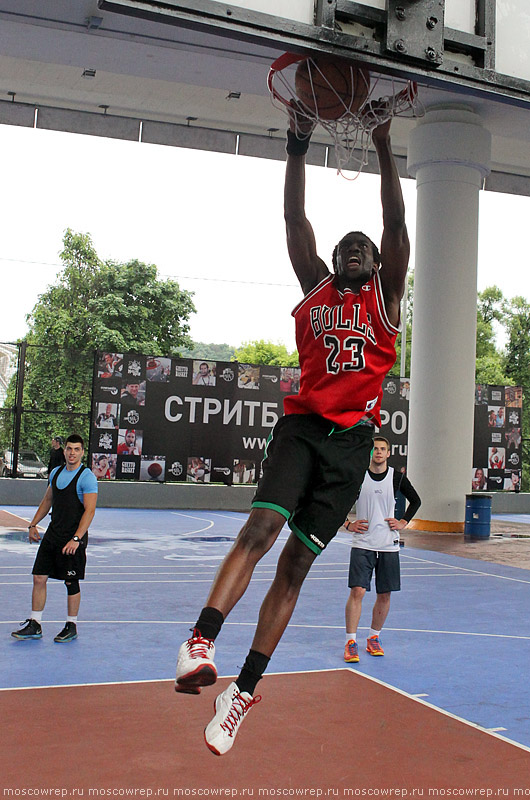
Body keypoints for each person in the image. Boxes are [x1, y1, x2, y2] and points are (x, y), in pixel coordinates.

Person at [174, 106, 410, 755]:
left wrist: (386, 146)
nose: (356, 249)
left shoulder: (384, 301)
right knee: (261, 529)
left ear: (381, 264)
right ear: (331, 261)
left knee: (297, 564)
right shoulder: (318, 288)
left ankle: (242, 692)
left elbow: (395, 222)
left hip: (352, 445)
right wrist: (297, 146)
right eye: (346, 247)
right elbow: (294, 220)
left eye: (365, 248)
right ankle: (200, 640)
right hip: (304, 427)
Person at [11, 434, 98, 643]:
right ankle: (35, 623)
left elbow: (90, 511)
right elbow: (47, 500)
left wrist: (76, 539)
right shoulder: (56, 473)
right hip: (53, 534)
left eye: (77, 449)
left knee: (71, 581)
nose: (72, 453)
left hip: (73, 538)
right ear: (64, 450)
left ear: (82, 452)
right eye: (69, 449)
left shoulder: (87, 477)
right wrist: (32, 524)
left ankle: (71, 625)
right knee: (39, 577)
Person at [342, 436, 420, 663]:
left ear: (388, 453)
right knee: (358, 591)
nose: (378, 452)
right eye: (375, 448)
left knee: (384, 594)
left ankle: (374, 637)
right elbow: (339, 503)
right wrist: (348, 524)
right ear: (371, 453)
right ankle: (350, 641)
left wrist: (403, 522)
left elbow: (416, 501)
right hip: (363, 543)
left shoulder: (397, 477)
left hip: (388, 544)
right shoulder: (359, 477)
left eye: (382, 449)